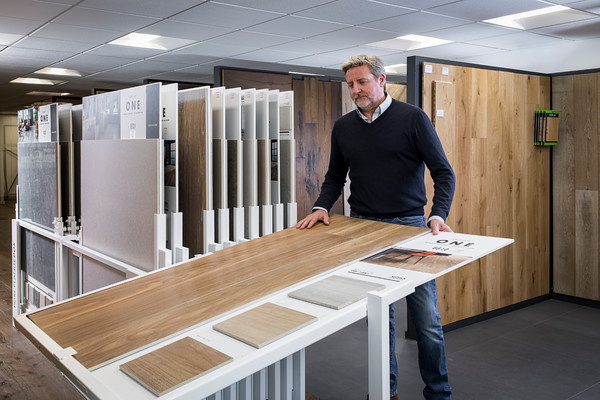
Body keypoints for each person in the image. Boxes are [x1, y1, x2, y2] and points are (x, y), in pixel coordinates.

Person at [296, 55, 455, 400]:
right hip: (364, 228)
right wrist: (321, 206)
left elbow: (443, 172)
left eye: (362, 82)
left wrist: (437, 214)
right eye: (351, 84)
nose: (356, 90)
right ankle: (386, 392)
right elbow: (335, 176)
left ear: (382, 80)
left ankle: (439, 394)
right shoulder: (343, 127)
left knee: (426, 320)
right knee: (379, 321)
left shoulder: (413, 119)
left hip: (410, 227)